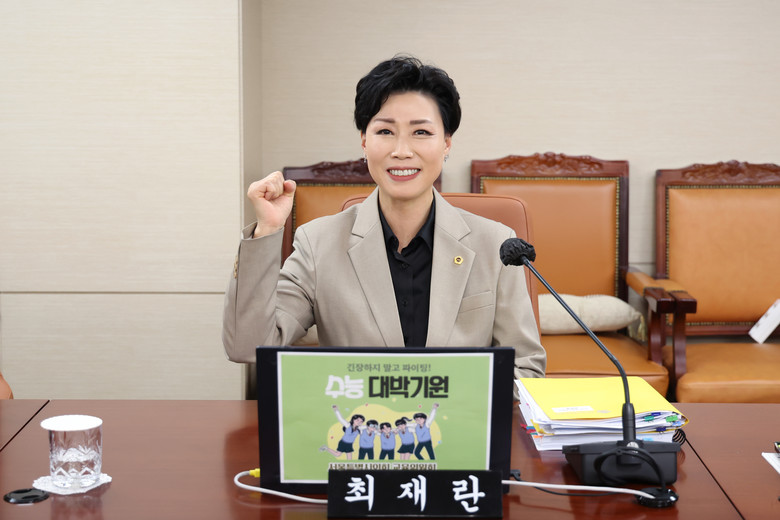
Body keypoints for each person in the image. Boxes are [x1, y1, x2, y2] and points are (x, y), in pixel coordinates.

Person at [222, 55, 546, 384]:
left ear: (446, 144)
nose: (402, 150)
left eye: (421, 131)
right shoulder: (317, 244)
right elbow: (248, 347)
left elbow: (526, 368)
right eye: (385, 131)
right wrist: (267, 230)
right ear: (364, 141)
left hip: (457, 417)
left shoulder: (496, 245)